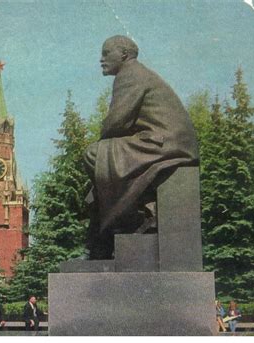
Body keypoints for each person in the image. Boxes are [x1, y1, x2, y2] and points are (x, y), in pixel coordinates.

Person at [84, 35, 199, 259]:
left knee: (93, 155)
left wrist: (103, 140)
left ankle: (124, 220)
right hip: (165, 142)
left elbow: (117, 122)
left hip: (164, 144)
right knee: (103, 164)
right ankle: (130, 215)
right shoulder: (138, 73)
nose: (101, 59)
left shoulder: (130, 74)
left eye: (106, 53)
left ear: (124, 55)